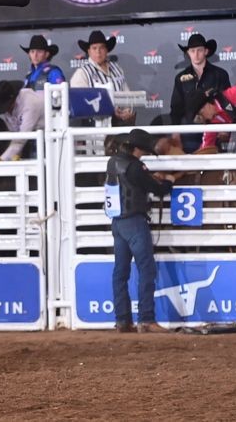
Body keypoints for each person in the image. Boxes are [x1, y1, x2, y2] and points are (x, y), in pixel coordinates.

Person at [105, 128, 174, 334]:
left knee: (120, 272)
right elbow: (158, 189)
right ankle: (146, 318)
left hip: (117, 222)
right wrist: (169, 180)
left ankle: (122, 320)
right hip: (134, 221)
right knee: (146, 269)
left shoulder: (113, 162)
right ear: (137, 149)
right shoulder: (136, 167)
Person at [169, 34, 231, 153]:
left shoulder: (220, 74)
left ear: (206, 51)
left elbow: (228, 103)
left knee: (214, 169)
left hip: (215, 130)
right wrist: (175, 132)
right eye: (192, 51)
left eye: (199, 50)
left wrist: (225, 128)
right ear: (188, 53)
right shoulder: (180, 78)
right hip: (189, 132)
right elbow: (176, 108)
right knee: (190, 168)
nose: (196, 54)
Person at [70, 30, 134, 125]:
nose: (98, 52)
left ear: (107, 50)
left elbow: (127, 94)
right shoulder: (82, 73)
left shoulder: (117, 69)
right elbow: (81, 105)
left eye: (101, 48)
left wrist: (128, 110)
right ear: (89, 51)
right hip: (95, 129)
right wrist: (110, 111)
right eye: (94, 48)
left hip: (120, 125)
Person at [0, 80, 45, 162]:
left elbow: (21, 139)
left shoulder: (30, 104)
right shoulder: (8, 109)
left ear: (12, 100)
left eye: (7, 108)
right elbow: (16, 135)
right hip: (34, 137)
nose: (6, 112)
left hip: (51, 136)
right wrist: (14, 155)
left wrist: (1, 160)